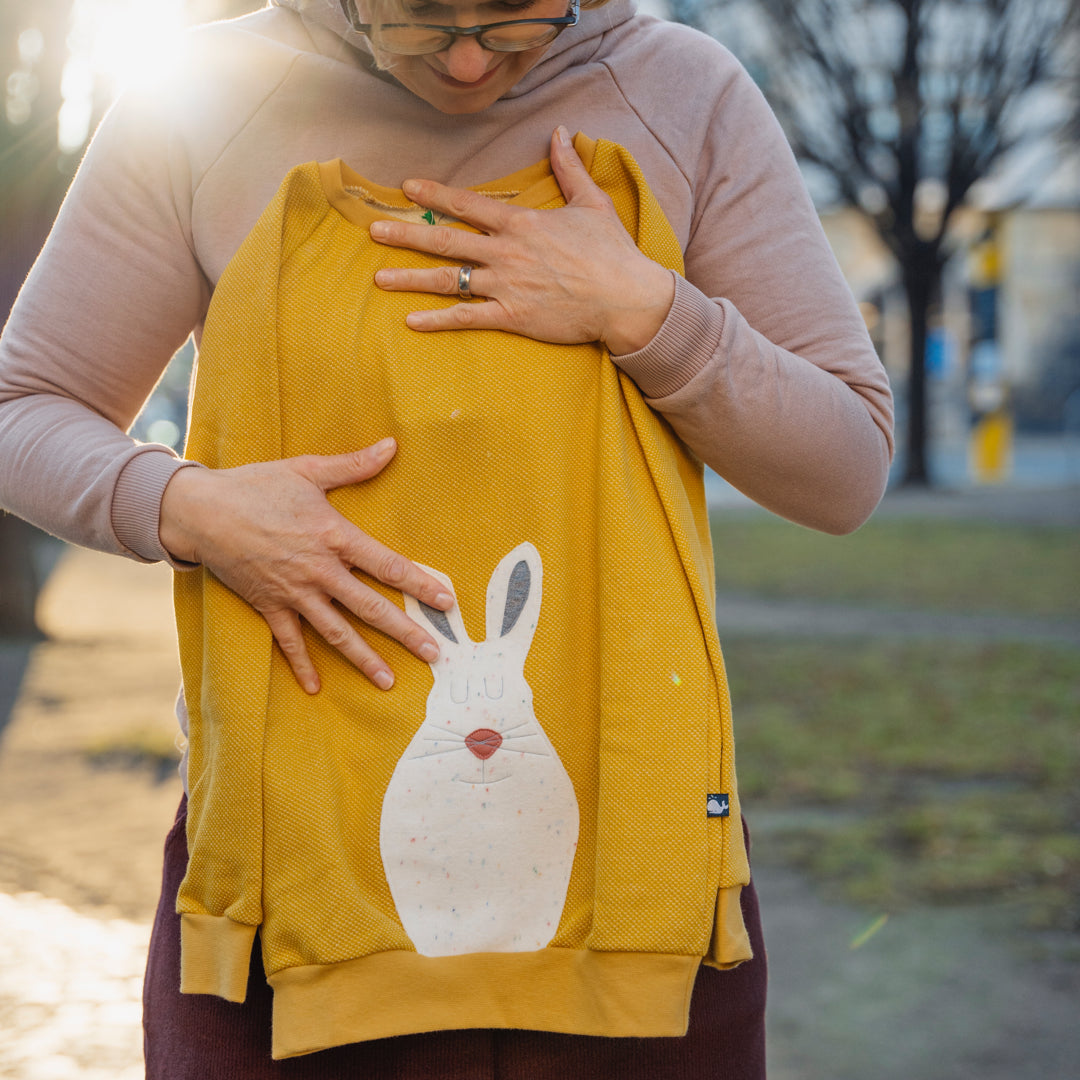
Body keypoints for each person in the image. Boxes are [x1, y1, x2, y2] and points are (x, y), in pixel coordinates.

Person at [0, 0, 894, 1075]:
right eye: (418, 20)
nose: (469, 60)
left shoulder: (682, 97)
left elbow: (846, 469)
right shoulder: (205, 103)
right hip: (295, 875)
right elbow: (24, 409)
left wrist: (651, 312)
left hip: (630, 875)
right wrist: (189, 508)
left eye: (520, 17)